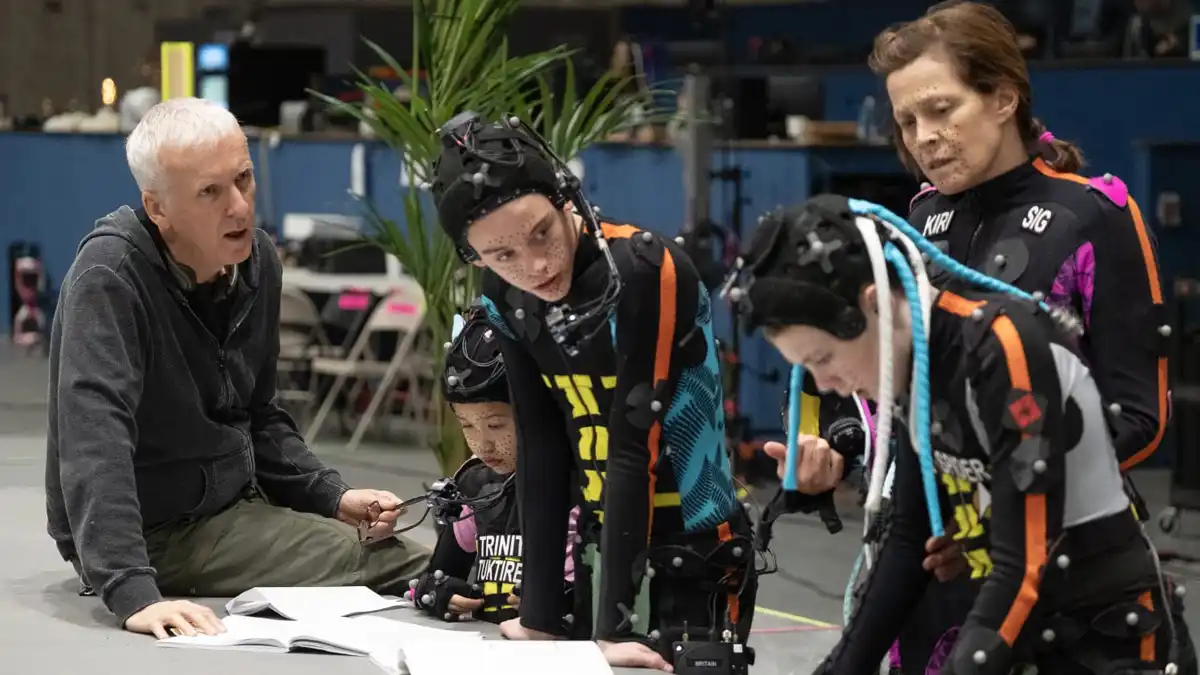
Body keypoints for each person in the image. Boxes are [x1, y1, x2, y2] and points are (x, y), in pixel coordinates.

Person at [728, 193, 1191, 675]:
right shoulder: (914, 360)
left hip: (1105, 638)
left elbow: (1024, 566)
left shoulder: (1001, 347)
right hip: (1024, 629)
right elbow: (907, 539)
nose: (824, 384)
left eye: (822, 359)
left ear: (875, 304)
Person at [45, 97, 431, 640]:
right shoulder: (110, 278)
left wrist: (331, 496)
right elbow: (94, 439)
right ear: (157, 208)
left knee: (384, 547)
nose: (240, 206)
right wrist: (130, 589)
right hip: (158, 531)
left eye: (244, 179)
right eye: (210, 192)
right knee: (402, 562)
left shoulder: (256, 262)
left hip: (232, 498)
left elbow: (259, 416)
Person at [868, 2, 1173, 670]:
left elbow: (1140, 418)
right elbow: (908, 396)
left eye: (942, 109)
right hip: (936, 564)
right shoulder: (921, 222)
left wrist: (995, 508)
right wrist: (838, 444)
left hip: (1069, 577)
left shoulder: (1094, 215)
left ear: (1004, 99)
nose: (924, 138)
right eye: (908, 121)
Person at [432, 112, 757, 671]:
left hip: (695, 545)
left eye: (541, 233)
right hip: (600, 545)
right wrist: (538, 615)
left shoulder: (643, 268)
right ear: (476, 257)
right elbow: (540, 443)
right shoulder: (503, 295)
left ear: (567, 198)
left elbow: (634, 444)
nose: (534, 266)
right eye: (502, 256)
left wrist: (615, 628)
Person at [408, 306, 583, 631]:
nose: (483, 445)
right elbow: (434, 577)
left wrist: (560, 604)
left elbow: (607, 604)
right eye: (467, 426)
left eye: (495, 425)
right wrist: (440, 594)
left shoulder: (582, 487)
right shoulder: (476, 486)